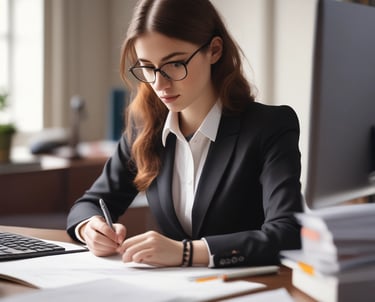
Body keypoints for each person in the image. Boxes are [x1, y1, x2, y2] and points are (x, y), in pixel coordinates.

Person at [66, 0, 303, 268]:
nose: (159, 83)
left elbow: (288, 234)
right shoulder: (144, 127)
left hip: (251, 287)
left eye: (175, 64)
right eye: (147, 67)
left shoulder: (269, 126)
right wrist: (90, 227)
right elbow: (89, 204)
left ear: (214, 50)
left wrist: (187, 252)